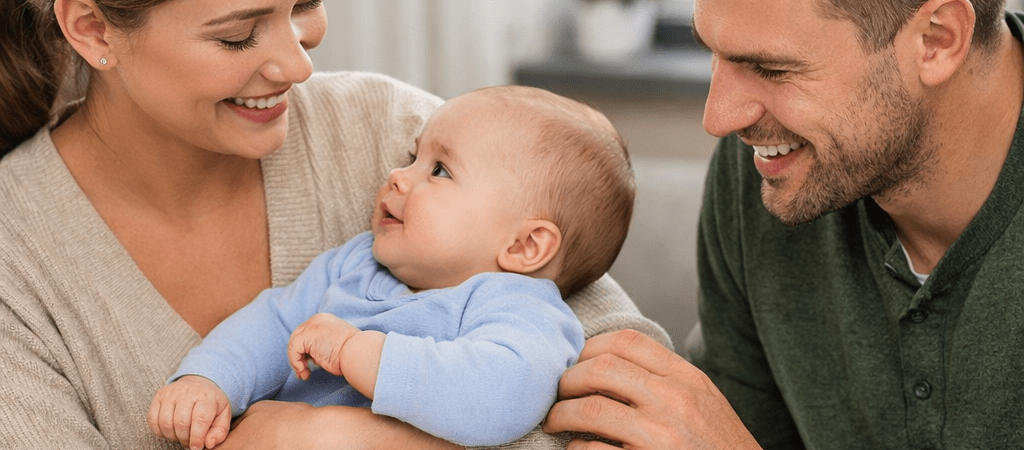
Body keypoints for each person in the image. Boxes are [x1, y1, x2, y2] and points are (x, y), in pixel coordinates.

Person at [0, 1, 672, 448]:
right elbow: (272, 323)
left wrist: (335, 440)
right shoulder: (18, 259)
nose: (299, 66)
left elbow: (643, 417)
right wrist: (205, 379)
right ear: (92, 29)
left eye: (303, 5)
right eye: (238, 32)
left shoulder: (399, 129)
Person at [543, 0, 1024, 448]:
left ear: (937, 39)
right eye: (713, 53)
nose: (719, 119)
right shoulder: (759, 176)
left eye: (771, 69)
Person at [147, 85, 635, 450]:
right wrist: (210, 380)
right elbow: (274, 320)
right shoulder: (358, 259)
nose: (398, 176)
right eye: (412, 156)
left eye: (439, 170)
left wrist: (360, 352)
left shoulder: (518, 308)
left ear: (527, 246)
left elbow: (498, 395)